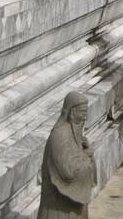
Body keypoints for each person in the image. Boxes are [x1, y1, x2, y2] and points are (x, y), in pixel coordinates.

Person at [37, 91, 97, 219]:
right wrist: (87, 155)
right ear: (72, 111)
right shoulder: (59, 136)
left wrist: (87, 153)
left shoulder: (74, 131)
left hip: (70, 206)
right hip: (58, 206)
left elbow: (76, 157)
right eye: (82, 112)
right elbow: (67, 172)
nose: (85, 117)